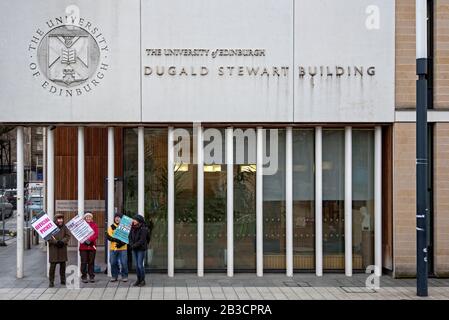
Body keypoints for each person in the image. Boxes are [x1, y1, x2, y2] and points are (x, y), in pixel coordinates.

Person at [47, 213, 71, 288]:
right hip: (53, 249)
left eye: (61, 219)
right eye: (59, 219)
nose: (60, 220)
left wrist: (62, 242)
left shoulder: (64, 227)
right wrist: (55, 242)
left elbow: (67, 236)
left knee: (63, 266)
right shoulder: (51, 227)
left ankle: (63, 280)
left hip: (62, 249)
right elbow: (48, 237)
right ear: (56, 220)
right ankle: (51, 281)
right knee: (52, 267)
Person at [106, 213, 128, 282]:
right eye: (116, 217)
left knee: (124, 263)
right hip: (113, 248)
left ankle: (124, 276)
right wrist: (117, 239)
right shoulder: (111, 227)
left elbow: (126, 237)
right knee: (113, 262)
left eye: (119, 217)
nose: (117, 218)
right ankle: (114, 276)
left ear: (121, 219)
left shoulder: (124, 227)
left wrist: (121, 244)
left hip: (123, 248)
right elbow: (109, 237)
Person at [129, 215, 149, 287]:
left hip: (141, 249)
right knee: (137, 265)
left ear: (139, 221)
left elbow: (142, 240)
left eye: (135, 220)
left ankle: (143, 280)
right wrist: (131, 244)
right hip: (134, 249)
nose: (133, 221)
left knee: (140, 265)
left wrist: (133, 245)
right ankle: (138, 280)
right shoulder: (132, 227)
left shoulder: (143, 228)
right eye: (133, 219)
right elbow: (130, 237)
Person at [79, 212, 98, 283]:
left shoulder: (94, 225)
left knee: (91, 262)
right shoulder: (81, 226)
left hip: (92, 247)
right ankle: (84, 276)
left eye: (89, 217)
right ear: (85, 218)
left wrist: (90, 240)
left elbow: (96, 234)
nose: (88, 218)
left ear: (91, 218)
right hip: (83, 247)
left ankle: (91, 276)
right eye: (87, 217)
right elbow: (79, 234)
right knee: (83, 262)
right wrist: (84, 240)